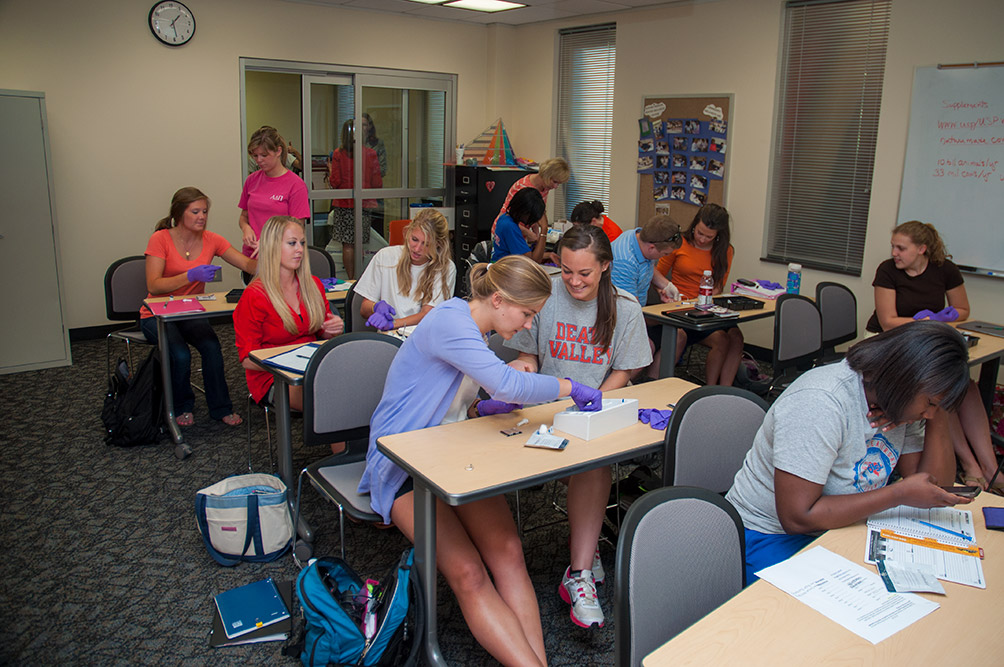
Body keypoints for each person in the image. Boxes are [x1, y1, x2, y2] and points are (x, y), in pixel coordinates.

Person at [358, 255, 603, 666]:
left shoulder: (477, 328)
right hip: (402, 461)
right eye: (527, 314)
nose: (527, 325)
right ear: (499, 300)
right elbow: (507, 382)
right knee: (469, 574)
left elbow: (452, 399)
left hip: (451, 451)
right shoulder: (451, 322)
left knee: (508, 552)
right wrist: (568, 386)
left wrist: (477, 410)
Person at [726, 321, 974, 584]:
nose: (929, 413)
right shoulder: (822, 401)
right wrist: (899, 493)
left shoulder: (901, 404)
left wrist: (940, 413)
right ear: (904, 379)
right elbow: (798, 518)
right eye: (931, 404)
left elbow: (934, 488)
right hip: (769, 534)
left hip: (844, 527)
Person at [505, 225, 651, 629]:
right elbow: (528, 356)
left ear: (605, 267)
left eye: (584, 273)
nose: (573, 281)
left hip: (595, 409)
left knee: (593, 463)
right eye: (566, 269)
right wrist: (523, 371)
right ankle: (586, 545)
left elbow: (626, 367)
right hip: (545, 411)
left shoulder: (625, 306)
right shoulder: (546, 293)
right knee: (588, 472)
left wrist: (596, 404)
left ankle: (580, 572)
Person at [865, 221, 998, 492]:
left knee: (967, 387)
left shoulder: (944, 269)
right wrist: (923, 324)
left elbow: (961, 309)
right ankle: (970, 464)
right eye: (893, 247)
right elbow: (888, 321)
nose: (895, 253)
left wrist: (941, 317)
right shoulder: (887, 271)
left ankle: (991, 469)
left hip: (923, 341)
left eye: (901, 248)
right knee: (941, 391)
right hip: (887, 344)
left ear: (922, 249)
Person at [140, 187, 256, 427]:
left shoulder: (211, 239)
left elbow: (245, 264)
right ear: (179, 213)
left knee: (212, 348)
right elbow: (154, 284)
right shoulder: (160, 239)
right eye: (195, 211)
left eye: (204, 211)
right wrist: (190, 275)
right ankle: (182, 406)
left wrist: (269, 256)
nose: (202, 216)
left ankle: (221, 407)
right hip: (156, 315)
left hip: (189, 312)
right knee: (180, 354)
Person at [233, 216, 344, 412]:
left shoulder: (312, 285)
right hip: (273, 377)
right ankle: (345, 440)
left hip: (310, 367)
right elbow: (247, 359)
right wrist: (286, 365)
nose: (300, 249)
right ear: (273, 247)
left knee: (353, 385)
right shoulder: (255, 295)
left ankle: (351, 440)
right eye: (292, 243)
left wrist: (332, 329)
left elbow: (322, 333)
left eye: (302, 243)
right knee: (332, 399)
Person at [656, 203, 743, 386]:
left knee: (735, 337)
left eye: (709, 236)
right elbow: (657, 275)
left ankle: (722, 389)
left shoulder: (725, 251)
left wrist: (705, 305)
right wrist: (664, 291)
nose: (702, 239)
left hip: (706, 307)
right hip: (680, 307)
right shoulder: (680, 243)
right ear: (695, 224)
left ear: (719, 234)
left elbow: (718, 286)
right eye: (699, 233)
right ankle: (709, 389)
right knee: (721, 340)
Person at [354, 209, 456, 331]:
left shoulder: (445, 267)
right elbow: (364, 309)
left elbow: (428, 315)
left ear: (438, 244)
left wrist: (392, 324)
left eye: (426, 244)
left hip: (421, 339)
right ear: (408, 232)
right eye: (414, 239)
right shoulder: (385, 257)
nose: (417, 249)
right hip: (388, 339)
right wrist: (375, 307)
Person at [238, 126, 310, 262]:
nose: (258, 160)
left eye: (264, 155)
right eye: (255, 155)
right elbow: (243, 216)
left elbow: (297, 230)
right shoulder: (251, 180)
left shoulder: (296, 185)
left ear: (278, 151)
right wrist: (246, 228)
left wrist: (268, 244)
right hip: (253, 256)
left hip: (281, 258)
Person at [328, 118, 383, 279]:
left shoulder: (338, 153)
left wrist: (330, 169)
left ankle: (351, 279)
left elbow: (335, 181)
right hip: (364, 204)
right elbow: (377, 182)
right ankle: (359, 280)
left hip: (343, 204)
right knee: (359, 243)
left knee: (348, 245)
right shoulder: (370, 153)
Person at [490, 157, 571, 239]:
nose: (555, 186)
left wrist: (537, 235)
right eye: (555, 182)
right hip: (504, 232)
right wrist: (528, 233)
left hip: (520, 233)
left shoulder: (545, 188)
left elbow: (536, 214)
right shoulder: (523, 188)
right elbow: (505, 218)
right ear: (547, 175)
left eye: (558, 184)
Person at [491, 187, 547, 263]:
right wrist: (544, 229)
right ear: (525, 212)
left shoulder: (504, 218)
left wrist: (549, 255)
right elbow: (532, 262)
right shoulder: (510, 227)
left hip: (499, 266)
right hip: (504, 271)